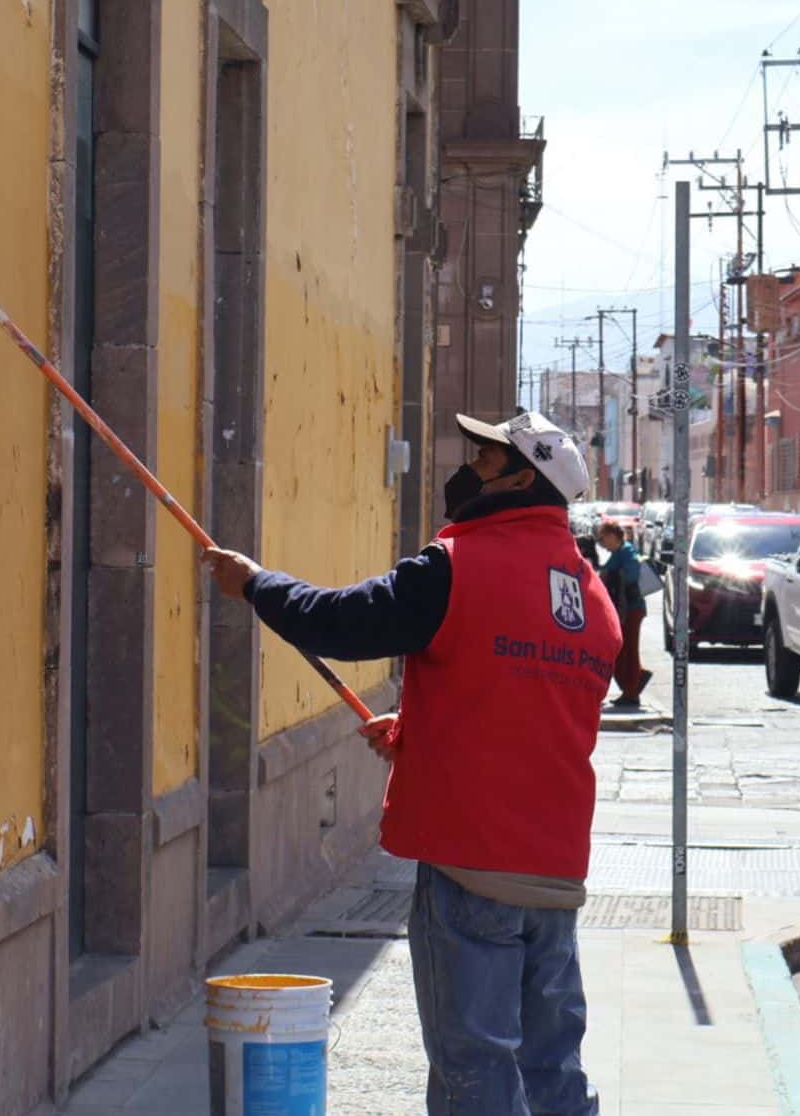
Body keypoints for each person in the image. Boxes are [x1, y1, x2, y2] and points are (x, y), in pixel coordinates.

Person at [204, 411, 620, 1116]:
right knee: (552, 1068)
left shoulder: (457, 566)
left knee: (475, 1068)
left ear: (523, 480)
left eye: (486, 460)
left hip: (473, 863)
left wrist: (255, 584)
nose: (469, 469)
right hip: (556, 870)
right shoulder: (591, 596)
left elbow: (340, 622)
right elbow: (530, 708)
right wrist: (419, 733)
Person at [596, 522, 652, 708]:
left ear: (613, 536)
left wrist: (615, 576)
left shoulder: (626, 552)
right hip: (624, 609)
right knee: (621, 652)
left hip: (631, 609)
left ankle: (631, 693)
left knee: (629, 651)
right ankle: (635, 681)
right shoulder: (617, 553)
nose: (602, 542)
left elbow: (632, 575)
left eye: (603, 538)